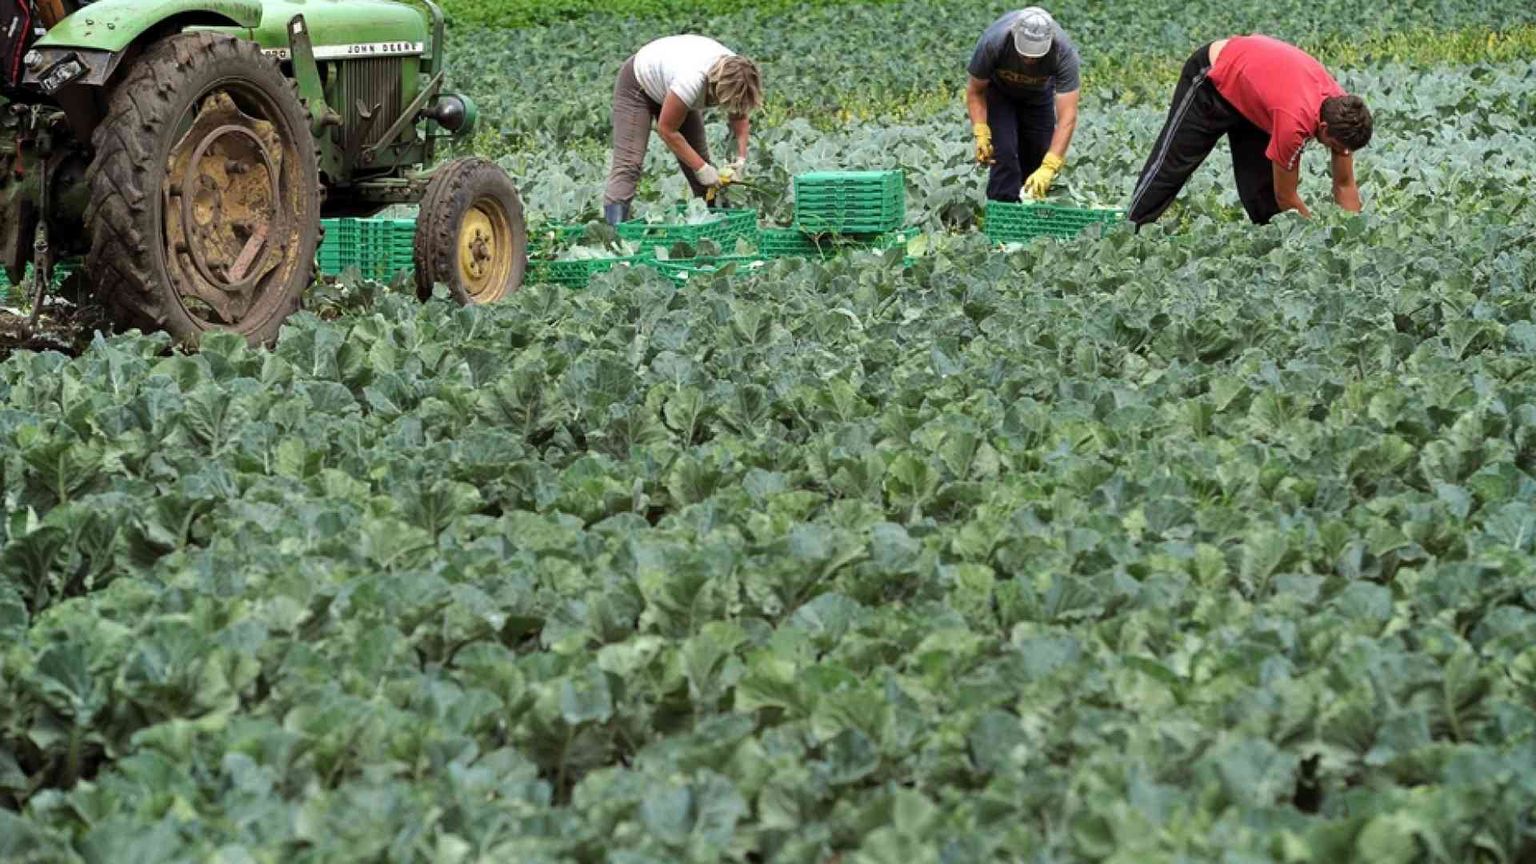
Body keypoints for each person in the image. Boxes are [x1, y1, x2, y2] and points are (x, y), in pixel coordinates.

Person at [1127, 34, 1373, 226]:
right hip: (1214, 75)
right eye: (1335, 146)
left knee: (1263, 195)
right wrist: (1315, 236)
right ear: (1324, 127)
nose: (1340, 151)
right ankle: (1131, 227)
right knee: (1173, 163)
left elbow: (1344, 184)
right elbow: (1287, 196)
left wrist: (1350, 235)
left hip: (1258, 97)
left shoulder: (1344, 112)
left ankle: (1277, 252)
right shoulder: (1293, 124)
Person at [602, 35, 763, 225]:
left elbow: (739, 114)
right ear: (715, 86)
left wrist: (740, 159)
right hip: (638, 86)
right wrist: (702, 168)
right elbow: (667, 130)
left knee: (699, 161)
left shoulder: (739, 75)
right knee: (629, 164)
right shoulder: (692, 80)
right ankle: (613, 233)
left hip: (672, 83)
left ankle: (717, 226)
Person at [965, 7, 1080, 202]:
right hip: (1000, 94)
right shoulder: (994, 42)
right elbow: (975, 91)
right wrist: (981, 131)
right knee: (1004, 155)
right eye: (1025, 52)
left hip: (1038, 96)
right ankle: (1002, 210)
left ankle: (1030, 209)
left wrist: (1050, 165)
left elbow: (1068, 116)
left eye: (1036, 54)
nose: (1030, 59)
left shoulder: (1063, 53)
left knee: (1039, 155)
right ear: (1014, 36)